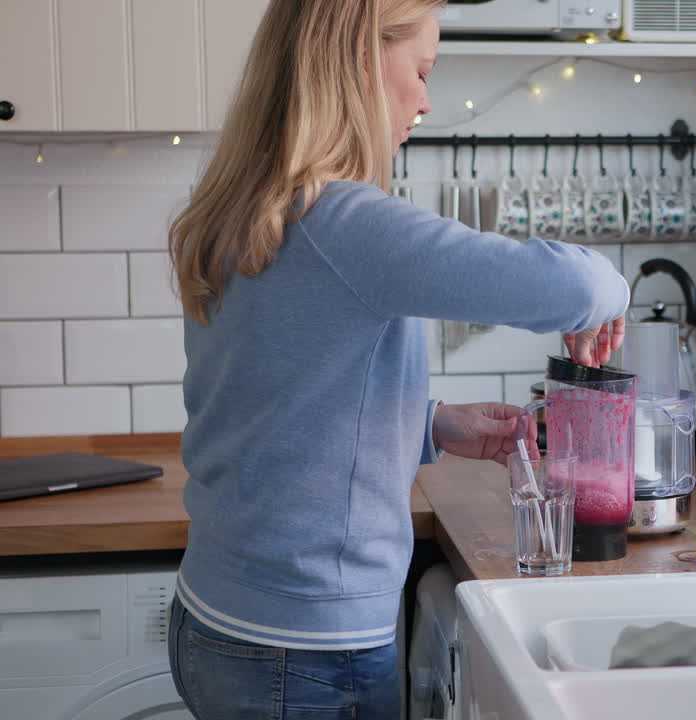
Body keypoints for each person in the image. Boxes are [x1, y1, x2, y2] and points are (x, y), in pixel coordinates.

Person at [164, 1, 628, 717]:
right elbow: (571, 285)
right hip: (307, 651)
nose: (426, 97)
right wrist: (612, 289)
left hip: (215, 617)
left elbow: (279, 401)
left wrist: (432, 422)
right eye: (421, 68)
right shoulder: (346, 223)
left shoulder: (244, 208)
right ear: (356, 62)